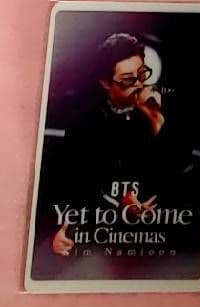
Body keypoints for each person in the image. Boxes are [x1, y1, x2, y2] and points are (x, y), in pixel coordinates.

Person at [50, 33, 182, 256]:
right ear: (106, 83)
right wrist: (120, 205)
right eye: (128, 79)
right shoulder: (85, 122)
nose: (139, 84)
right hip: (100, 235)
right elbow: (79, 186)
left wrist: (157, 124)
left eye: (142, 75)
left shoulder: (155, 114)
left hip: (155, 235)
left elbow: (172, 175)